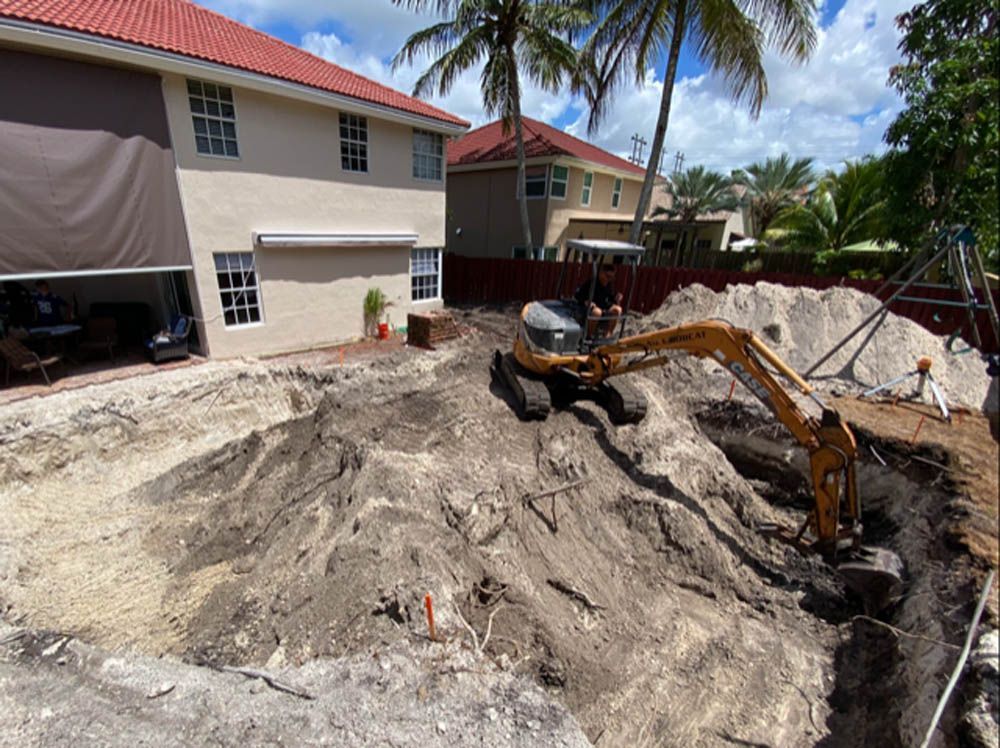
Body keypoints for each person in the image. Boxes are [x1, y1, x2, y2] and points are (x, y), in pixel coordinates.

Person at [575, 263, 623, 337]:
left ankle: (608, 334)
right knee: (597, 312)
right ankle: (589, 335)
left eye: (611, 277)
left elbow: (610, 297)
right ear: (601, 273)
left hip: (603, 306)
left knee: (618, 309)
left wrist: (616, 298)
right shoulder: (591, 283)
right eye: (607, 276)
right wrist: (586, 302)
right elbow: (578, 295)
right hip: (589, 308)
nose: (608, 279)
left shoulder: (609, 285)